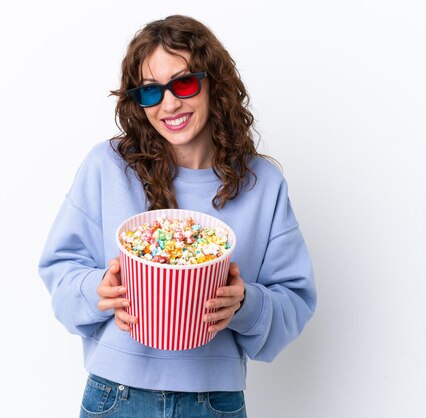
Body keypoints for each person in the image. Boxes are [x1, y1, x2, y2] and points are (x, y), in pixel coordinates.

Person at [38, 15, 317, 418]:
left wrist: (244, 304)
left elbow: (295, 298)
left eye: (183, 83)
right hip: (116, 395)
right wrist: (96, 289)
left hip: (214, 401)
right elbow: (59, 269)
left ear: (213, 85)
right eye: (151, 92)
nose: (169, 104)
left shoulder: (263, 184)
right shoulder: (108, 167)